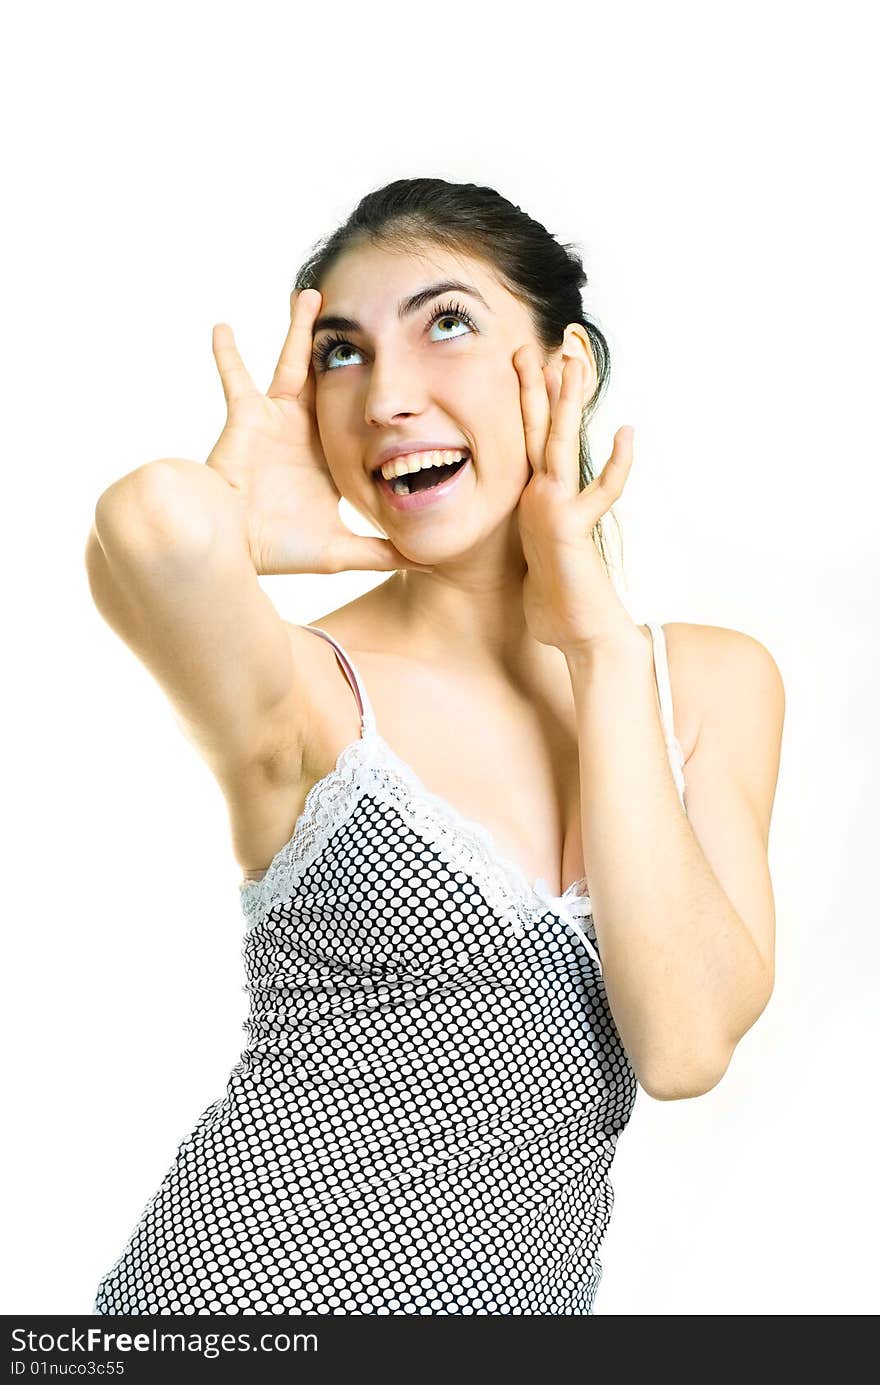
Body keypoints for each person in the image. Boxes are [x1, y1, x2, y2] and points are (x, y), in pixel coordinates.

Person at [86, 177, 784, 1315]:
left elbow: (686, 1043)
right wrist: (236, 514)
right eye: (344, 355)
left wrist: (600, 643)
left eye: (445, 322)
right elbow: (151, 528)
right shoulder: (313, 692)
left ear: (566, 368)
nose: (387, 397)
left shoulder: (705, 682)